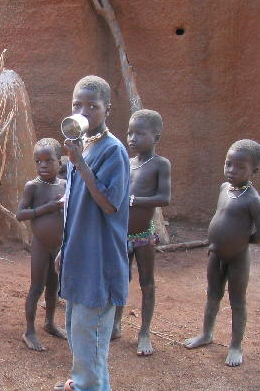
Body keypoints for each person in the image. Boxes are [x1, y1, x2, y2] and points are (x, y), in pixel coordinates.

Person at [53, 76, 130, 391]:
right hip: (80, 256)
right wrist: (64, 249)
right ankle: (86, 384)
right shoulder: (82, 146)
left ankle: (87, 385)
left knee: (91, 338)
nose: (83, 111)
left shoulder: (114, 151)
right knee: (80, 335)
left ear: (107, 110)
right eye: (77, 105)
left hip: (99, 262)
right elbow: (75, 205)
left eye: (92, 106)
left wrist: (81, 164)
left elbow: (110, 205)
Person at [184, 139, 260, 367]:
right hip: (215, 255)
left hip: (238, 258)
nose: (232, 170)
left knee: (237, 301)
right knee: (212, 295)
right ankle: (206, 334)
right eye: (229, 164)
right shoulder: (223, 188)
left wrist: (242, 242)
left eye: (240, 167)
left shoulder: (253, 200)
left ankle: (236, 345)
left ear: (254, 171)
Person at [111, 109, 171, 356]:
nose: (132, 138)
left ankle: (144, 332)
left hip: (144, 235)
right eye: (129, 132)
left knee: (147, 283)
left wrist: (135, 200)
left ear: (156, 137)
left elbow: (165, 198)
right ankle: (115, 323)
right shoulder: (127, 162)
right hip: (122, 234)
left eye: (139, 133)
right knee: (120, 280)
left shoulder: (160, 164)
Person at [16, 138, 67, 351]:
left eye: (49, 161)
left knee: (53, 286)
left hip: (58, 246)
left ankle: (50, 322)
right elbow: (21, 214)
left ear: (60, 163)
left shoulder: (65, 185)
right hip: (40, 245)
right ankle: (29, 330)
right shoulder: (33, 187)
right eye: (38, 161)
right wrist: (47, 207)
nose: (43, 166)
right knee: (36, 286)